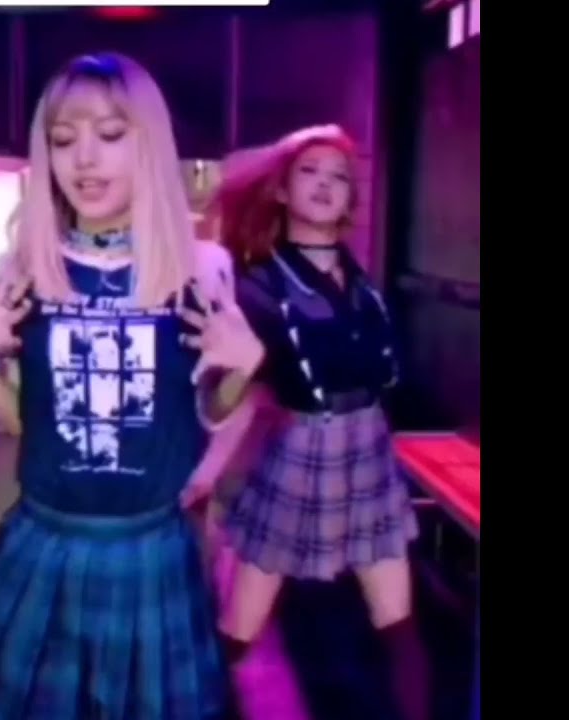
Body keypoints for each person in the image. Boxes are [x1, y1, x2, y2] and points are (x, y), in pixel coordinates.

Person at [0, 52, 263, 720]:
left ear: (150, 145)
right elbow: (24, 423)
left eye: (109, 135)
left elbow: (205, 412)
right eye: (62, 139)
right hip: (44, 539)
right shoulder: (27, 267)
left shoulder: (199, 269)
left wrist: (243, 372)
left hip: (150, 547)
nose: (84, 159)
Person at [210, 125, 429, 720]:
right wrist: (203, 474)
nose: (326, 185)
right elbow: (244, 395)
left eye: (339, 177)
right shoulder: (256, 286)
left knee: (398, 623)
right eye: (309, 172)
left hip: (368, 443)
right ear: (281, 190)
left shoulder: (362, 286)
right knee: (238, 631)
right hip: (301, 447)